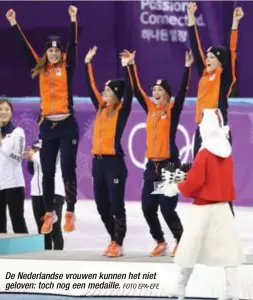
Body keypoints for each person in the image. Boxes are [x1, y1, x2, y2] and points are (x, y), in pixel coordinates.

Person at [6, 6, 79, 234]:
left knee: (67, 169)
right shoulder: (40, 68)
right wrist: (14, 23)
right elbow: (24, 46)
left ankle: (69, 211)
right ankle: (49, 213)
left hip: (67, 125)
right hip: (48, 125)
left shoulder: (67, 66)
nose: (54, 54)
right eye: (50, 51)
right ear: (46, 53)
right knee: (47, 170)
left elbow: (73, 46)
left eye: (57, 51)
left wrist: (73, 20)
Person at [163, 108, 245, 300]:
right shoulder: (226, 150)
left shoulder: (205, 153)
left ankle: (180, 288)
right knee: (229, 252)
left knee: (190, 248)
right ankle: (232, 293)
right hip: (223, 208)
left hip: (203, 209)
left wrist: (177, 187)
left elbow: (195, 182)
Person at [125, 49, 193, 257]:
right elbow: (136, 89)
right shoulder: (150, 108)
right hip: (151, 166)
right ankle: (160, 241)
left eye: (159, 90)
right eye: (153, 89)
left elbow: (182, 92)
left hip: (169, 166)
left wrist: (187, 68)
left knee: (166, 208)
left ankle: (181, 241)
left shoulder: (172, 109)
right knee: (147, 208)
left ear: (166, 94)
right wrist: (130, 65)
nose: (155, 92)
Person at [84, 46, 133, 257]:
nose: (103, 93)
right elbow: (90, 87)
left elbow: (130, 91)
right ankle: (113, 238)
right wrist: (87, 64)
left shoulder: (121, 111)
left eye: (108, 91)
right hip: (98, 163)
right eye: (104, 91)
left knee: (116, 204)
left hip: (114, 164)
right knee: (102, 205)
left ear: (116, 95)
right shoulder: (100, 108)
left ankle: (118, 242)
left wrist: (127, 66)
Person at [187, 3, 244, 157]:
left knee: (217, 177)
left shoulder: (225, 77)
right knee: (197, 176)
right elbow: (195, 45)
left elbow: (231, 51)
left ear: (220, 61)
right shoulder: (204, 73)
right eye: (207, 57)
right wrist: (191, 16)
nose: (207, 60)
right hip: (202, 130)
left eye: (212, 57)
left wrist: (235, 23)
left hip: (218, 130)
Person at [23, 140, 65, 250]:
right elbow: (32, 169)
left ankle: (59, 260)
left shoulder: (58, 143)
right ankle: (45, 258)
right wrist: (29, 159)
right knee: (41, 229)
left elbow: (51, 163)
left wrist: (33, 155)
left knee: (55, 227)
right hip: (37, 192)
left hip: (54, 191)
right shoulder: (36, 142)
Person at [0, 98, 28, 234]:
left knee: (17, 220)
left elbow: (18, 158)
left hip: (14, 185)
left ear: (11, 112)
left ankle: (27, 253)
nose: (3, 112)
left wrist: (2, 145)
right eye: (0, 109)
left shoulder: (18, 132)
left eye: (6, 109)